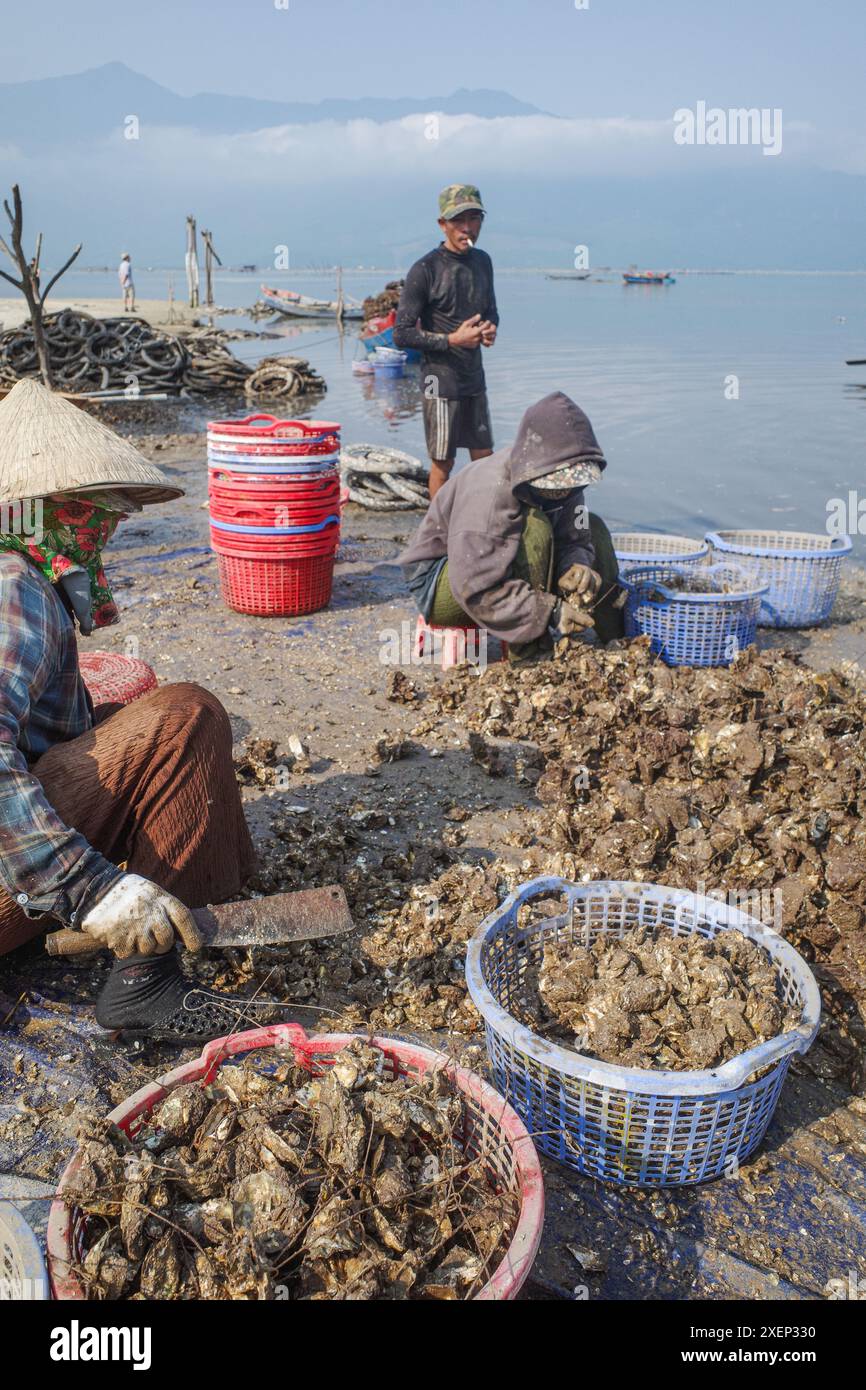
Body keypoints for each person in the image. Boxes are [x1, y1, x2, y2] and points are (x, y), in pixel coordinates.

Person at [0, 379, 271, 1044]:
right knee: (186, 716)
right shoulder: (13, 583)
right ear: (50, 511)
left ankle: (203, 891)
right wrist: (90, 887)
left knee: (126, 705)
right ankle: (143, 980)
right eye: (96, 513)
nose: (107, 531)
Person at [400, 391, 625, 661]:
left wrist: (576, 566)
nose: (565, 492)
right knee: (536, 529)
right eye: (558, 484)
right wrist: (550, 612)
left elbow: (576, 537)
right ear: (538, 469)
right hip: (449, 584)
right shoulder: (489, 490)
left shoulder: (569, 482)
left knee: (594, 525)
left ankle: (618, 637)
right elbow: (475, 586)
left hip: (500, 566)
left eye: (571, 484)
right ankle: (529, 653)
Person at [393, 184, 498, 498]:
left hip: (473, 378)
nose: (467, 228)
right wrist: (452, 339)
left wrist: (491, 330)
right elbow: (401, 334)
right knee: (443, 462)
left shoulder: (483, 262)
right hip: (438, 382)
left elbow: (491, 310)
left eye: (474, 219)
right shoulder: (425, 269)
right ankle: (436, 532)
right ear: (443, 224)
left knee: (485, 458)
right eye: (458, 221)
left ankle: (485, 524)